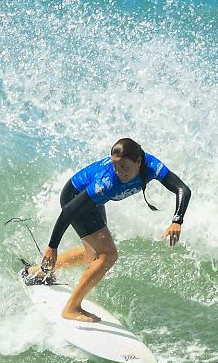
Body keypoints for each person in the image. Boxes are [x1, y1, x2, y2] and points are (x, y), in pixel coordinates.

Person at [24, 138, 191, 322]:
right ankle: (72, 308)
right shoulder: (105, 183)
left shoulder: (151, 165)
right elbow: (69, 210)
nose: (119, 172)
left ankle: (38, 272)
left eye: (124, 168)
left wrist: (177, 220)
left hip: (94, 202)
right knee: (108, 255)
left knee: (92, 254)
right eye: (115, 166)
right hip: (74, 198)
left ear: (139, 161)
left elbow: (182, 189)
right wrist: (52, 246)